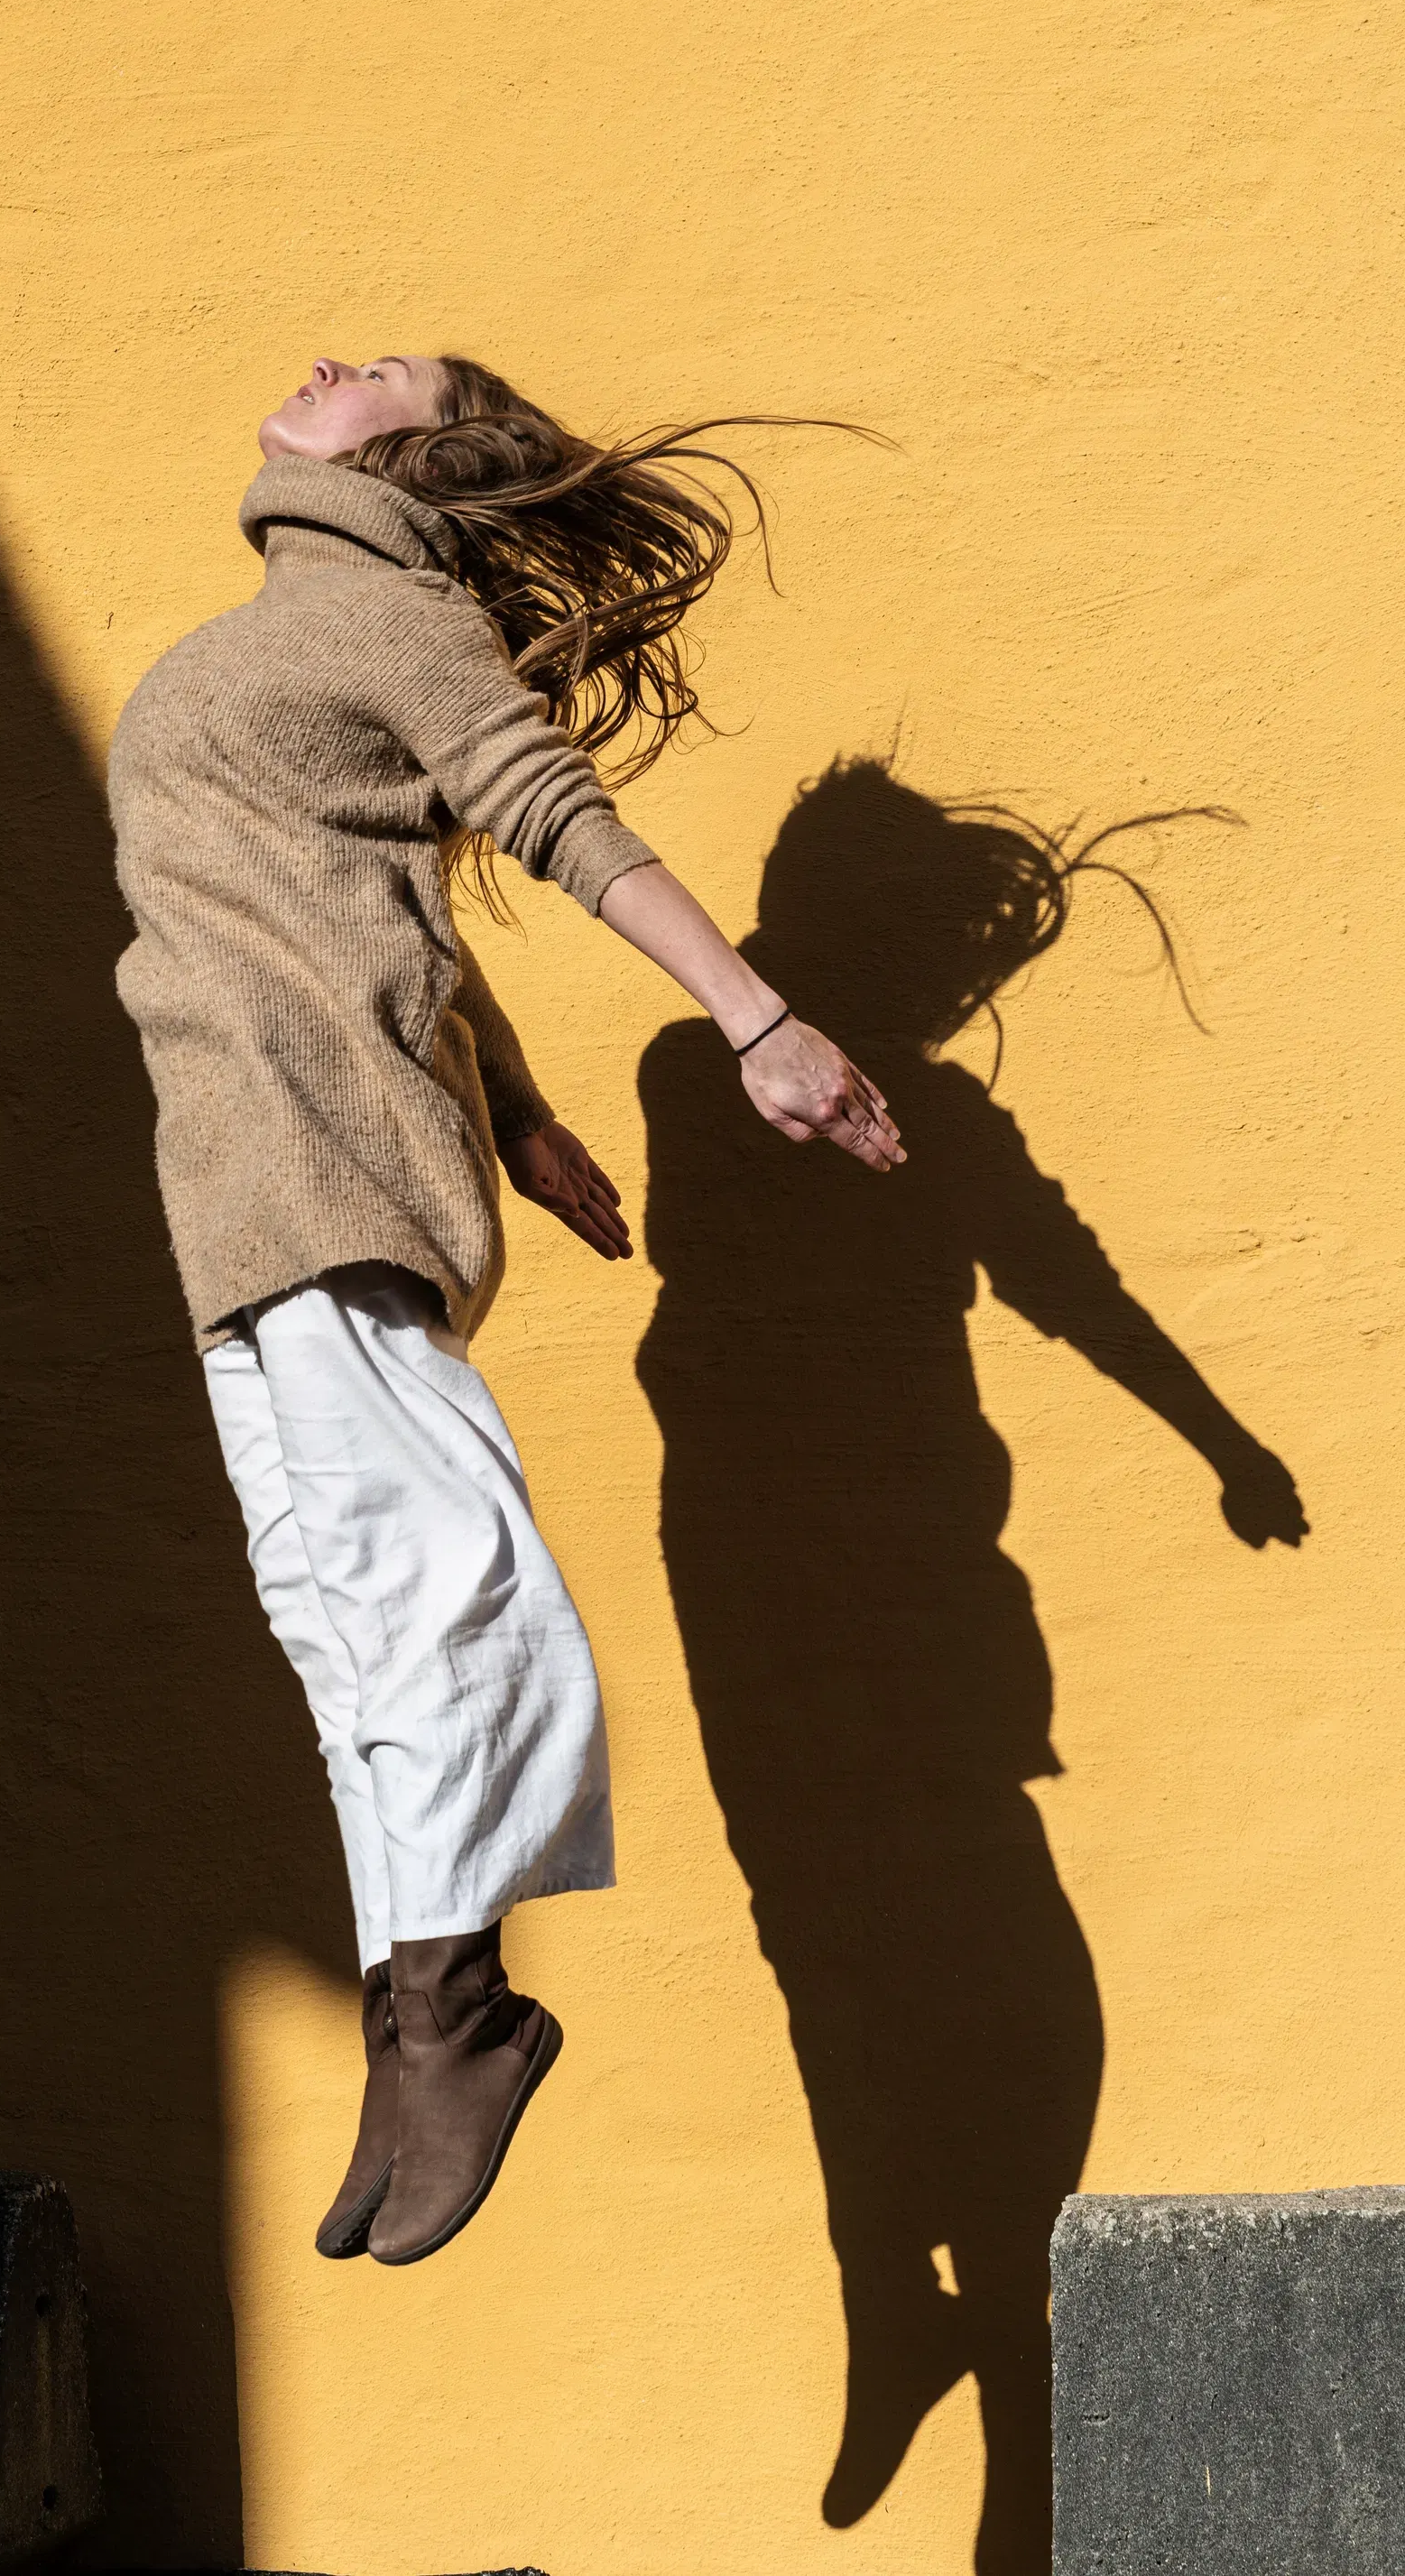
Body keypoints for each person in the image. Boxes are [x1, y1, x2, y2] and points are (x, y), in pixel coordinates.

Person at [106, 352, 902, 2267]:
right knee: (332, 1607)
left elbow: (552, 814)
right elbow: (389, 910)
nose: (321, 361)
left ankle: (461, 2009)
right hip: (230, 1176)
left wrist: (755, 1016)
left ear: (416, 448)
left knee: (422, 1567)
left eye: (382, 363)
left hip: (319, 1153)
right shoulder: (305, 624)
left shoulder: (395, 610)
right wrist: (530, 1107)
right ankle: (417, 2011)